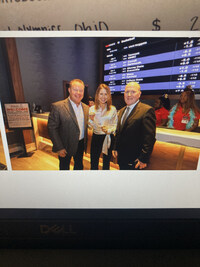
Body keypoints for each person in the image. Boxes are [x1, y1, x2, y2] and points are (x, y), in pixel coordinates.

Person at [112, 82, 156, 170]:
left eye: (133, 92)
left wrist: (143, 159)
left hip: (136, 161)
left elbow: (149, 138)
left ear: (139, 94)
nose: (129, 95)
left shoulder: (147, 110)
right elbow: (119, 132)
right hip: (122, 158)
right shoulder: (121, 111)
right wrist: (115, 148)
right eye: (126, 92)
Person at [47, 79, 89, 170]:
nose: (78, 93)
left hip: (81, 144)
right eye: (75, 89)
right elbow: (52, 128)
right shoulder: (58, 106)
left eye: (81, 90)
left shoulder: (86, 108)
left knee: (79, 166)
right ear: (69, 90)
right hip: (65, 145)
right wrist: (59, 147)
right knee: (64, 168)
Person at [89, 84, 118, 170]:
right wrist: (91, 120)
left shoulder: (112, 109)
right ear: (97, 95)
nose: (103, 97)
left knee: (106, 163)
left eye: (106, 94)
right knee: (94, 161)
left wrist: (109, 130)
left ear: (109, 96)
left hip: (108, 138)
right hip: (96, 137)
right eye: (101, 94)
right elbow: (89, 125)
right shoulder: (92, 109)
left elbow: (115, 125)